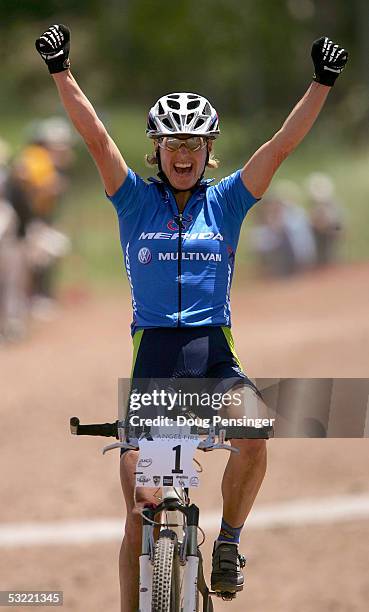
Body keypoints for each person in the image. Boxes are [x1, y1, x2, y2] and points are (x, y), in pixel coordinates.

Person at [35, 25, 348, 610]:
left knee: (255, 435)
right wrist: (61, 70)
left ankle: (228, 542)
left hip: (213, 358)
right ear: (157, 150)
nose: (183, 155)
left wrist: (322, 83)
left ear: (209, 151)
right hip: (154, 363)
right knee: (140, 513)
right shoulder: (132, 198)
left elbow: (280, 146)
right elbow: (97, 138)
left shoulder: (227, 200)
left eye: (195, 145)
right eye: (172, 144)